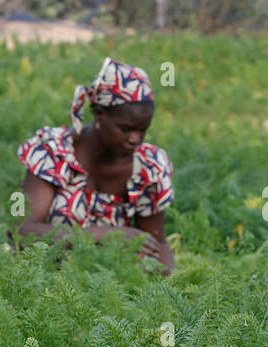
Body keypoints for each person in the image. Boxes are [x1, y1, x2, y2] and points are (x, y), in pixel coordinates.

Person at [17, 57, 175, 275]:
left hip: (116, 285)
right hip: (48, 283)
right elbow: (25, 231)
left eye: (143, 129)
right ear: (99, 114)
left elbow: (157, 243)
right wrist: (103, 235)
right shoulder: (54, 153)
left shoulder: (149, 167)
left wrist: (171, 293)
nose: (135, 139)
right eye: (126, 128)